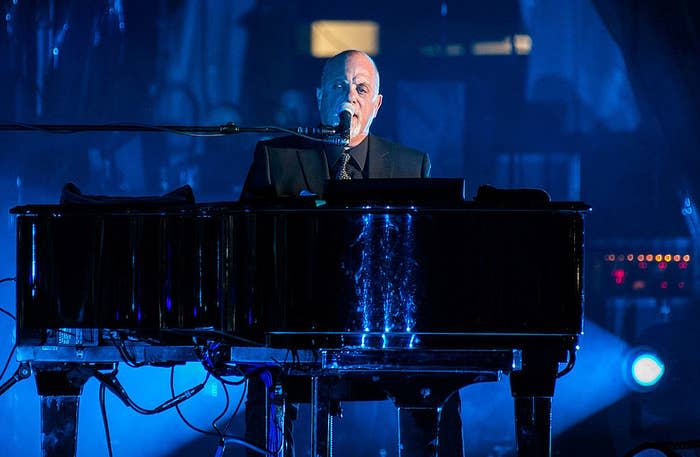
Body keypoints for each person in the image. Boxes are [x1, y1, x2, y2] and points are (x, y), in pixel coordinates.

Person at [241, 50, 463, 456]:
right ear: (320, 96)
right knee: (264, 369)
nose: (351, 97)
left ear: (376, 105)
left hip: (383, 324)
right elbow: (247, 247)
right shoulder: (277, 158)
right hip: (298, 318)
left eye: (362, 89)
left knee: (440, 371)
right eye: (340, 87)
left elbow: (426, 260)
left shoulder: (409, 165)